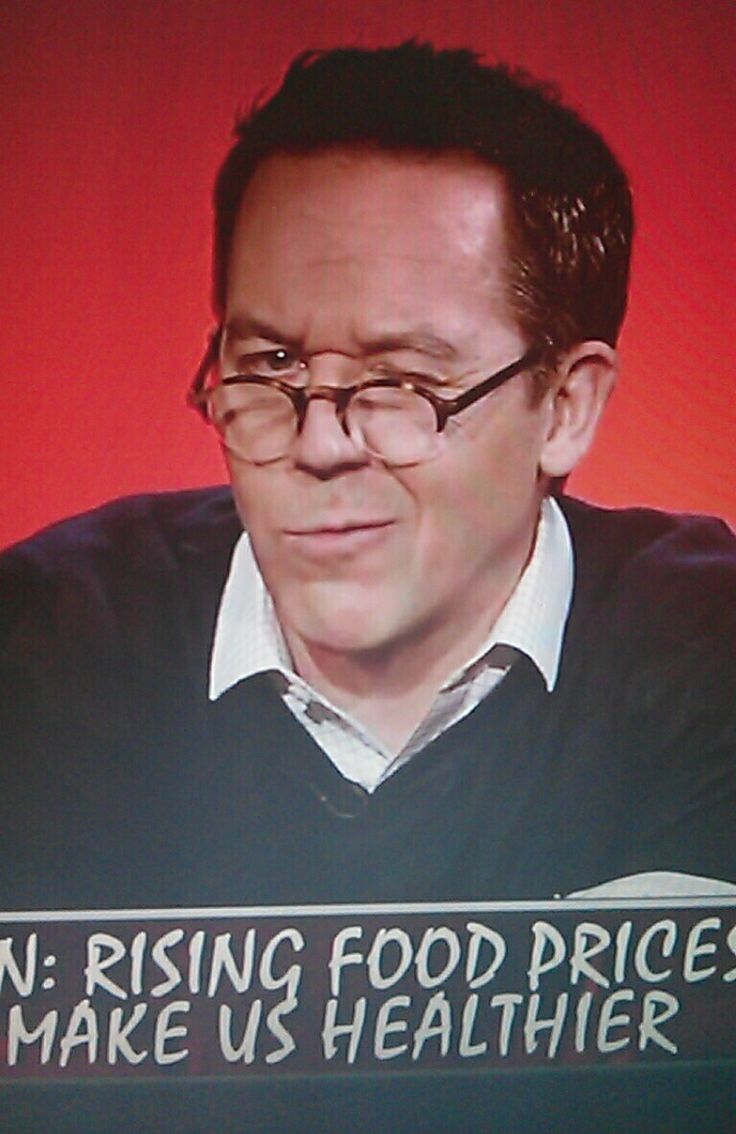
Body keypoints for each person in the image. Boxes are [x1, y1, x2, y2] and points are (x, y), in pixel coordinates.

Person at [1, 42, 735, 911]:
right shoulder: (42, 647)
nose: (320, 445)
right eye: (273, 364)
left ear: (566, 406)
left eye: (402, 381)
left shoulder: (709, 654)